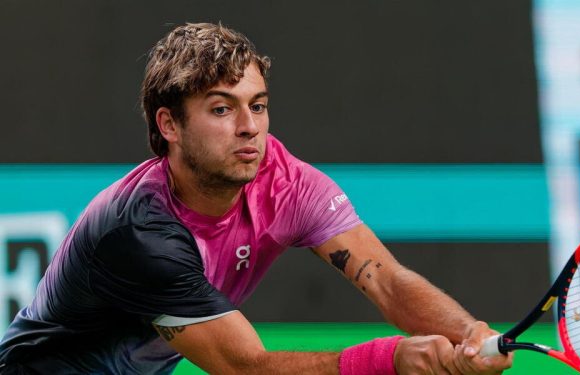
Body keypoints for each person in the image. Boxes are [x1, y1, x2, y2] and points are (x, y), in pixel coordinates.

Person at [0, 23, 512, 374]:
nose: (250, 128)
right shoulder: (140, 232)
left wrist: (467, 333)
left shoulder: (285, 182)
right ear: (169, 124)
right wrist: (390, 360)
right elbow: (245, 365)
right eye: (221, 110)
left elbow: (387, 281)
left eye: (258, 106)